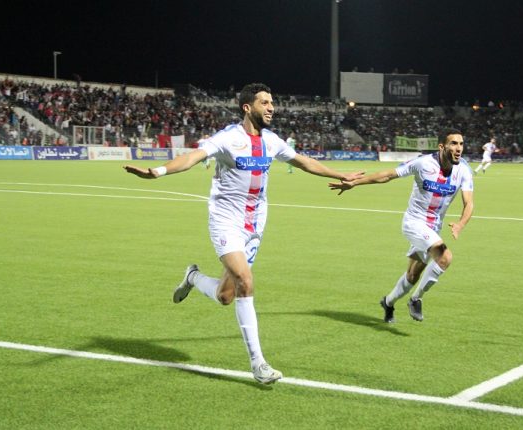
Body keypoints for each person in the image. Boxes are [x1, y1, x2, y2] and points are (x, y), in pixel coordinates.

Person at [123, 83, 363, 384]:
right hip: (226, 221)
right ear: (247, 108)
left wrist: (342, 174)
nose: (271, 107)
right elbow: (194, 157)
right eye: (265, 103)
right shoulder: (228, 138)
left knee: (226, 296)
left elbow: (303, 161)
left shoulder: (272, 141)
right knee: (246, 282)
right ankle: (258, 364)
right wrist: (158, 171)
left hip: (255, 226)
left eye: (272, 102)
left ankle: (193, 277)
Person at [329, 128, 474, 323]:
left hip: (434, 228)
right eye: (454, 143)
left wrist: (461, 224)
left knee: (412, 275)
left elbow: (469, 202)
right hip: (414, 223)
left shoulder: (463, 169)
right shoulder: (423, 163)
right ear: (442, 146)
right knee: (445, 257)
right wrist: (355, 183)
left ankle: (388, 302)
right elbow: (388, 175)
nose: (459, 148)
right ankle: (416, 299)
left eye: (461, 144)